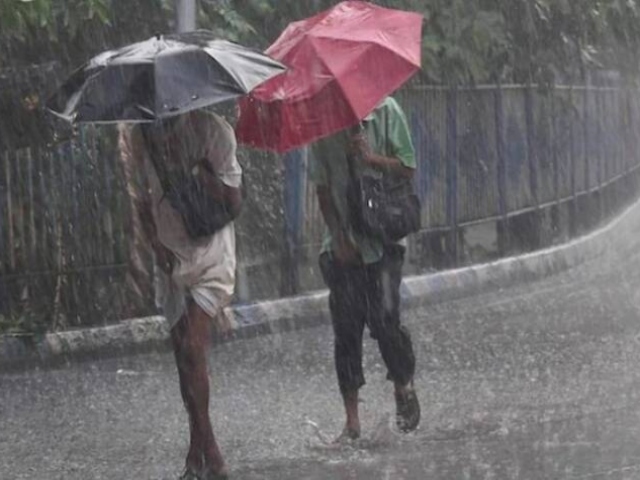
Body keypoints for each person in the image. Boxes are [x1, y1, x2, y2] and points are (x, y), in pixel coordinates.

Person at [118, 107, 242, 480]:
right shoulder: (139, 136)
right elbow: (140, 200)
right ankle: (197, 450)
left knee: (192, 348)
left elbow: (234, 202)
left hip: (211, 254)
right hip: (170, 256)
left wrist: (203, 175)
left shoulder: (213, 130)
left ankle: (211, 452)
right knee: (182, 360)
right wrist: (154, 246)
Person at [309, 96, 420, 441]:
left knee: (386, 323)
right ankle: (352, 421)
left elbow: (408, 166)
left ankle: (402, 384)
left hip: (384, 240)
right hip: (343, 248)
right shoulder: (321, 126)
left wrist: (371, 158)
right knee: (346, 331)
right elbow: (322, 189)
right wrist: (340, 238)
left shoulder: (387, 111)